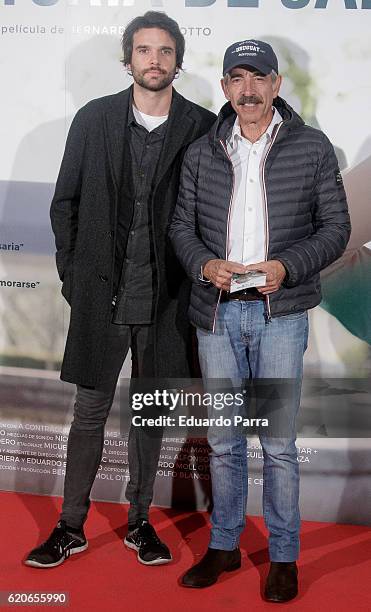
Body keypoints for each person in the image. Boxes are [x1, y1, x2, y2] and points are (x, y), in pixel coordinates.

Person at [24, 11, 215, 569]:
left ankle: (138, 523)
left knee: (149, 416)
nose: (154, 60)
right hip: (101, 296)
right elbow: (66, 205)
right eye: (143, 50)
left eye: (164, 51)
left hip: (167, 300)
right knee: (88, 413)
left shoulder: (201, 126)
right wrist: (73, 277)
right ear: (128, 58)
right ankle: (70, 526)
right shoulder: (94, 119)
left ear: (179, 60)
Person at [169, 39, 350, 601]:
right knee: (223, 442)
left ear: (275, 85)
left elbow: (336, 229)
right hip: (219, 317)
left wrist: (285, 266)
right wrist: (205, 263)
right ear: (225, 87)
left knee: (276, 442)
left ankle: (284, 554)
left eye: (258, 79)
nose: (247, 91)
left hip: (279, 316)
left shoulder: (312, 147)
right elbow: (180, 227)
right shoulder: (202, 153)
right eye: (236, 79)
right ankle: (222, 544)